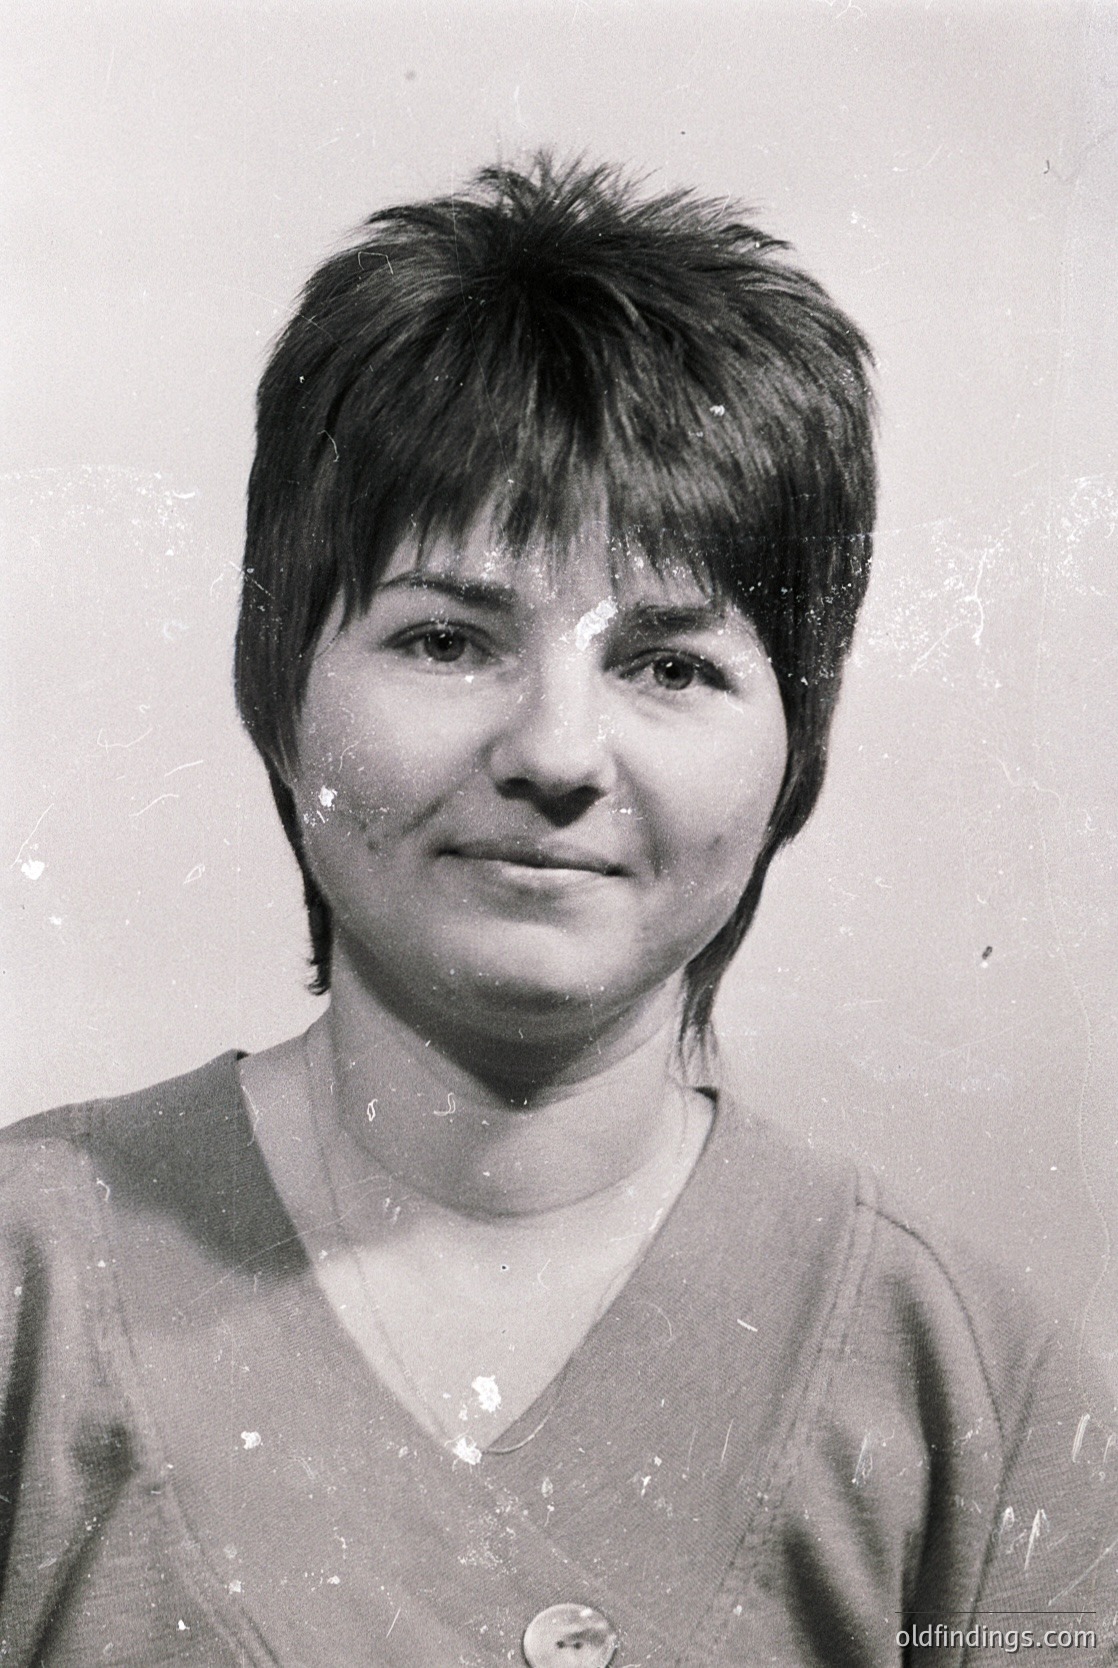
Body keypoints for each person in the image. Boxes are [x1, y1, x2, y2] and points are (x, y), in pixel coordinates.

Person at [1, 156, 1114, 1667]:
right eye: (447, 638)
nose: (553, 753)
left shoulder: (977, 1386)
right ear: (275, 690)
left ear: (798, 751)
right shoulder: (29, 1291)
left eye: (670, 664)